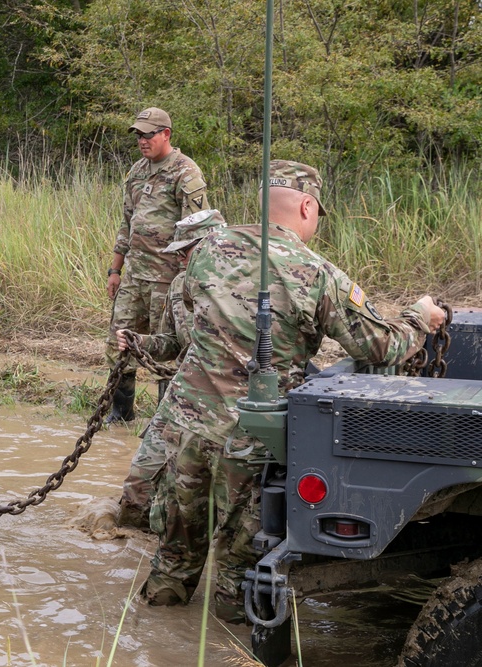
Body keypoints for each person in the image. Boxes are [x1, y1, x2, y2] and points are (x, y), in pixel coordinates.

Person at [136, 160, 447, 622]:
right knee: (238, 575)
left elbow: (187, 321)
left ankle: (148, 637)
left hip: (185, 429)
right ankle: (222, 647)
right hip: (251, 441)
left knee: (172, 559)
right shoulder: (316, 272)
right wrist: (421, 315)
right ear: (306, 205)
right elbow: (381, 346)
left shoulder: (205, 250)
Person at [114, 209, 226, 531]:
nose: (181, 260)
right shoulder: (179, 286)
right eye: (179, 253)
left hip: (228, 406)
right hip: (182, 399)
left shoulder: (249, 289)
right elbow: (171, 342)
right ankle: (130, 542)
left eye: (186, 251)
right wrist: (140, 342)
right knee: (140, 484)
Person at [105, 107, 210, 424]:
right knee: (118, 343)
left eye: (148, 134)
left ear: (166, 134)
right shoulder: (136, 172)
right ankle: (120, 413)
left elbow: (198, 232)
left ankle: (166, 420)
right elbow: (127, 224)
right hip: (135, 278)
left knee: (168, 349)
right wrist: (115, 270)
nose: (142, 140)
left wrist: (189, 284)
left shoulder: (186, 173)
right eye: (138, 134)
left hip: (169, 282)